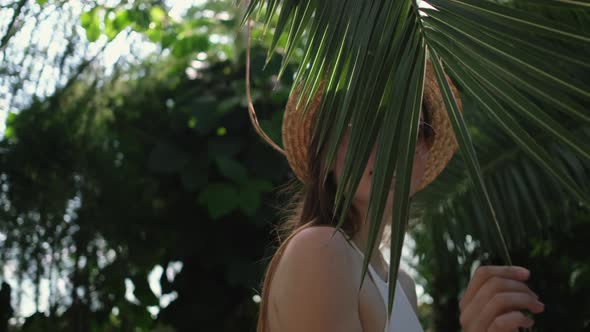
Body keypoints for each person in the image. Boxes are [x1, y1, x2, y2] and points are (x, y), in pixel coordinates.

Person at [248, 60, 544, 332]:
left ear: (426, 150)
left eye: (410, 129)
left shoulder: (402, 286)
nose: (390, 147)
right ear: (325, 150)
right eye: (365, 126)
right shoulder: (321, 248)